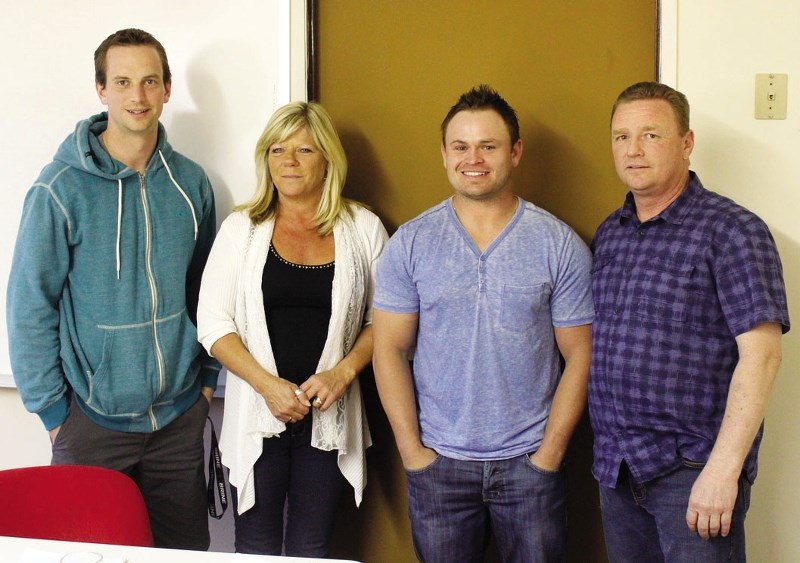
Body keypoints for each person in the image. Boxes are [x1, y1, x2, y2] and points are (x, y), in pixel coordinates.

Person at [6, 29, 220, 549]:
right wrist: (55, 414)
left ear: (168, 88)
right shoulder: (59, 189)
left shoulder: (190, 184)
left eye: (150, 81)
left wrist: (208, 381)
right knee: (87, 556)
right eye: (122, 81)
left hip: (177, 419)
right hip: (90, 423)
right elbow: (30, 306)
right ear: (101, 90)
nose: (137, 97)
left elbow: (208, 291)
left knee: (183, 557)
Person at [372, 84, 594, 563]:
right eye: (461, 146)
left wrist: (548, 457)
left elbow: (582, 354)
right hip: (439, 466)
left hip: (530, 467)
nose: (473, 158)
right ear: (444, 154)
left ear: (514, 152)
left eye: (488, 146)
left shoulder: (559, 244)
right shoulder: (410, 244)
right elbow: (388, 349)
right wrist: (414, 453)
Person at [589, 81, 790, 562]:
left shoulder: (734, 231)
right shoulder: (610, 234)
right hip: (617, 468)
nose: (633, 150)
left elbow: (762, 357)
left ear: (686, 143)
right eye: (621, 137)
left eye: (651, 135)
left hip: (693, 472)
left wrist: (724, 470)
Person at [196, 101, 387, 556]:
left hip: (330, 417)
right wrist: (267, 387)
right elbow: (213, 323)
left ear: (327, 159)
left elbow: (388, 319)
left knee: (313, 547)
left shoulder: (363, 227)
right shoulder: (241, 228)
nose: (289, 162)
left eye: (304, 150)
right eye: (278, 150)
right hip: (258, 417)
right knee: (255, 545)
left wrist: (341, 375)